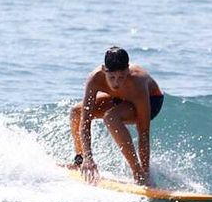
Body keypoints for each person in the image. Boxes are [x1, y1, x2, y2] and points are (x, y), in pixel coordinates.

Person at [70, 46, 164, 185]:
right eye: (112, 77)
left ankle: (137, 173)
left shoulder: (137, 82)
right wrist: (88, 158)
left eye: (121, 77)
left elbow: (143, 133)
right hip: (119, 98)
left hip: (151, 100)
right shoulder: (94, 79)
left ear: (127, 71)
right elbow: (85, 121)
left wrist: (145, 172)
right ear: (104, 69)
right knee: (76, 112)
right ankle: (80, 161)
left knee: (111, 117)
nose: (116, 82)